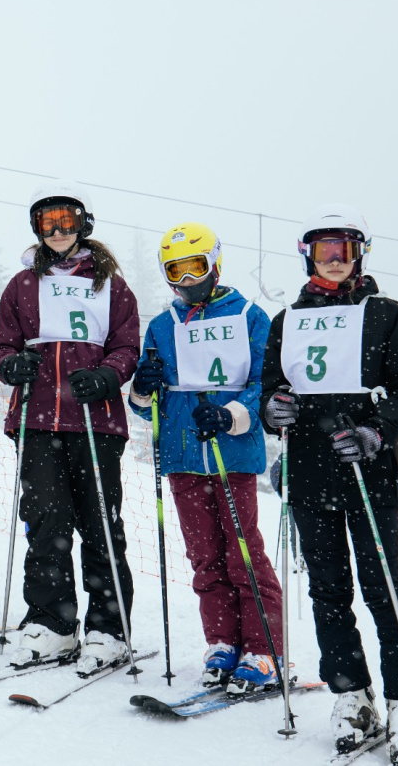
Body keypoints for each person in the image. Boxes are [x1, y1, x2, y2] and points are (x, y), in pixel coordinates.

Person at [261, 204, 398, 761]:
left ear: (359, 256)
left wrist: (378, 432)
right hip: (309, 473)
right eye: (322, 251)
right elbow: (272, 387)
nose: (333, 261)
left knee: (383, 589)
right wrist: (272, 410)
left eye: (343, 251)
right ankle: (351, 693)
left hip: (366, 471)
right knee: (327, 591)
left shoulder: (385, 313)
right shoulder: (288, 320)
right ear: (307, 256)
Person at [0, 180, 139, 675]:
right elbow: (3, 344)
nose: (56, 231)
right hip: (37, 420)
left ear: (84, 225)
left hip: (95, 422)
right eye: (47, 223)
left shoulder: (111, 285)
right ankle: (53, 623)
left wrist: (108, 374)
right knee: (47, 526)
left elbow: (126, 346)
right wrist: (12, 365)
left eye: (66, 221)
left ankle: (107, 629)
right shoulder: (22, 284)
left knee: (99, 526)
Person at [129, 222, 282, 693]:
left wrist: (232, 413)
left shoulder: (251, 316)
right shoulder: (162, 324)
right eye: (176, 271)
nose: (187, 279)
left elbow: (262, 384)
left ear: (214, 263)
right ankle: (222, 642)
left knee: (243, 554)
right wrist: (143, 385)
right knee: (205, 557)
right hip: (181, 454)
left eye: (196, 266)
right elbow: (141, 404)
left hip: (231, 452)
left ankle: (263, 649)